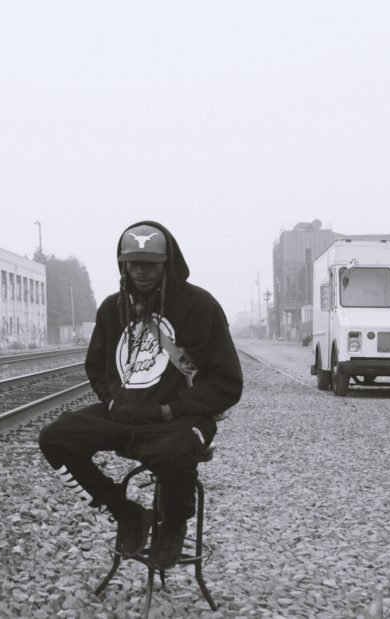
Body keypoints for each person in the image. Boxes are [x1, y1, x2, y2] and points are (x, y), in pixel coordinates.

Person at [38, 221, 244, 569]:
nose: (140, 271)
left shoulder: (200, 306)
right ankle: (126, 512)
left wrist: (172, 409)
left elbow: (227, 382)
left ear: (167, 263)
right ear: (123, 264)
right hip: (124, 415)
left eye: (150, 264)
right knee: (55, 437)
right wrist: (111, 401)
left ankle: (173, 526)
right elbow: (96, 366)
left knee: (176, 456)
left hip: (177, 418)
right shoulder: (112, 308)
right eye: (133, 263)